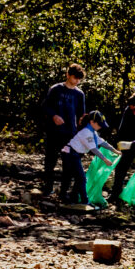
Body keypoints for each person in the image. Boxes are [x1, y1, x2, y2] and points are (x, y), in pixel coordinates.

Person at [41, 64, 86, 198]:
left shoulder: (79, 94)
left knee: (68, 164)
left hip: (70, 134)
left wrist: (82, 131)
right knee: (50, 161)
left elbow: (81, 115)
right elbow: (45, 106)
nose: (76, 81)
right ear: (68, 75)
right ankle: (48, 188)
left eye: (79, 79)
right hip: (53, 132)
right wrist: (54, 115)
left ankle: (64, 191)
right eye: (74, 77)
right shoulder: (56, 89)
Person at [108, 81, 135, 205]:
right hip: (130, 143)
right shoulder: (130, 108)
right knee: (121, 168)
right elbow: (123, 127)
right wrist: (119, 143)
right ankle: (115, 194)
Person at [61, 111, 120, 205]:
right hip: (70, 154)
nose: (100, 126)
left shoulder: (93, 132)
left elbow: (102, 142)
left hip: (75, 154)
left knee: (77, 177)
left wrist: (115, 151)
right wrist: (105, 159)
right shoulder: (86, 132)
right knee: (79, 178)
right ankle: (84, 201)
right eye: (99, 124)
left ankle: (73, 197)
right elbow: (94, 149)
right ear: (92, 122)